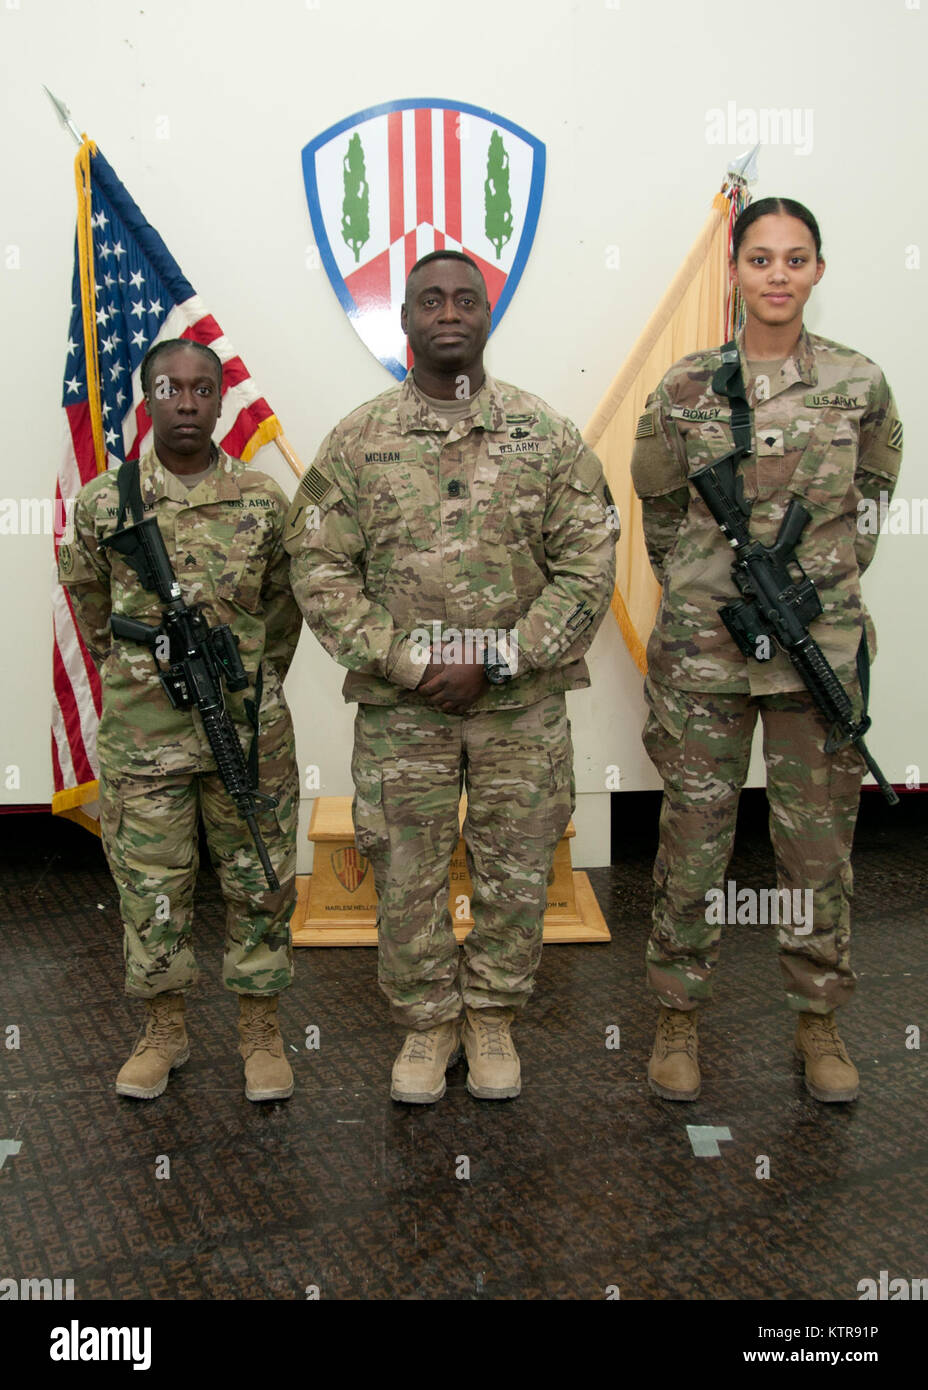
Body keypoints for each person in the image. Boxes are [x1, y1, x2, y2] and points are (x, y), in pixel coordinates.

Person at [284, 250, 617, 1103]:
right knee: (404, 870)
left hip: (522, 706)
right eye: (430, 299)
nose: (448, 312)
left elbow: (590, 564)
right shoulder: (358, 441)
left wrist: (499, 658)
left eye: (465, 298)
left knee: (517, 864)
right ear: (404, 319)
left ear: (486, 316)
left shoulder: (544, 435)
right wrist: (414, 660)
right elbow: (318, 568)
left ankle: (494, 1017)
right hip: (406, 710)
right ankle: (429, 1026)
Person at [631, 197, 903, 1103]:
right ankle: (677, 1017)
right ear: (737, 272)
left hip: (815, 652)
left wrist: (814, 587)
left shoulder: (859, 384)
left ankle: (819, 1024)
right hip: (705, 654)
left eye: (795, 259)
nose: (778, 275)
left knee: (816, 850)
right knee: (693, 841)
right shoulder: (684, 389)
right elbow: (660, 510)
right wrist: (712, 585)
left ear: (819, 271)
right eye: (760, 259)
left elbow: (870, 501)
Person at [58, 339, 302, 1103]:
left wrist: (245, 682)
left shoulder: (263, 500)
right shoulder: (106, 503)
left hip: (246, 735)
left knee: (259, 878)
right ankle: (164, 1029)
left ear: (222, 400)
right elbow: (91, 605)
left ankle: (260, 1030)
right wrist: (147, 664)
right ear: (149, 399)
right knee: (152, 886)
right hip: (145, 738)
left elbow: (283, 612)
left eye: (203, 388)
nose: (188, 402)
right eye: (171, 388)